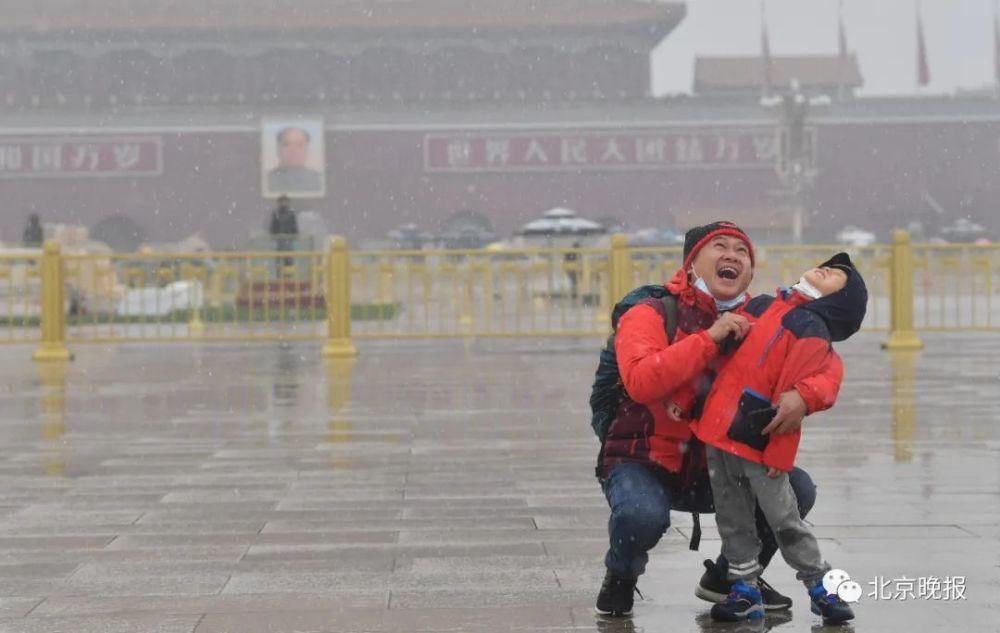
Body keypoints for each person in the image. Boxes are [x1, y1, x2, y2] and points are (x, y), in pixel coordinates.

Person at [595, 221, 832, 617]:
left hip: (720, 467)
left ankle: (732, 577)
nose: (732, 256)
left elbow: (821, 365)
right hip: (643, 459)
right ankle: (621, 574)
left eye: (742, 252)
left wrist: (804, 398)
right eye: (719, 247)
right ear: (691, 265)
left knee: (798, 489)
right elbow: (640, 380)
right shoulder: (649, 313)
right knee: (641, 514)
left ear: (750, 274)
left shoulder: (763, 321)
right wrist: (710, 338)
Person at [692, 253, 867, 625]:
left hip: (757, 437)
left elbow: (790, 402)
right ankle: (743, 587)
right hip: (717, 431)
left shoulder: (809, 328)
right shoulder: (765, 304)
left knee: (783, 517)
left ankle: (820, 585)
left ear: (841, 301)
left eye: (838, 276)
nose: (828, 270)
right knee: (732, 515)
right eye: (830, 266)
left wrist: (780, 452)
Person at [266, 126, 323, 195]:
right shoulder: (266, 180)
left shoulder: (319, 179)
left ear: (307, 149)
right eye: (286, 144)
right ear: (278, 149)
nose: (293, 151)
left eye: (299, 145)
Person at [269, 195, 299, 269]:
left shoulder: (291, 213)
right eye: (282, 201)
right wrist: (275, 235)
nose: (283, 203)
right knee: (280, 258)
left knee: (289, 258)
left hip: (289, 240)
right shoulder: (276, 213)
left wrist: (293, 235)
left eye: (285, 201)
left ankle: (288, 276)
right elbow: (273, 227)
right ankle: (280, 275)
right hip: (280, 240)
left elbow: (294, 226)